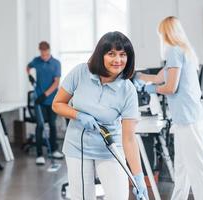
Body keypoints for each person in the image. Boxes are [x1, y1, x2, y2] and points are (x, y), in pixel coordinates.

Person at [52, 32, 149, 200]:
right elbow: (57, 104)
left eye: (122, 54)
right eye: (111, 54)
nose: (117, 60)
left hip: (110, 149)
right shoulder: (80, 72)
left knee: (118, 196)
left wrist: (138, 177)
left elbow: (129, 138)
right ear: (101, 55)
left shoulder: (128, 91)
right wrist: (78, 115)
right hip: (78, 148)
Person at [136, 16, 203, 200]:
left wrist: (149, 89)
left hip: (188, 118)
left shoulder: (173, 51)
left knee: (197, 168)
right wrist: (139, 76)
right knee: (182, 168)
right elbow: (159, 77)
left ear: (166, 33)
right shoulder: (183, 51)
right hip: (185, 118)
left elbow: (170, 87)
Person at [26, 41, 64, 165]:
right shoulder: (36, 61)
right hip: (39, 101)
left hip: (52, 99)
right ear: (39, 51)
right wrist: (30, 76)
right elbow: (28, 67)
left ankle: (53, 150)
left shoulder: (56, 63)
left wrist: (45, 95)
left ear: (49, 51)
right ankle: (39, 155)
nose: (44, 56)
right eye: (42, 54)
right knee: (40, 125)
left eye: (46, 54)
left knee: (52, 125)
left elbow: (56, 83)